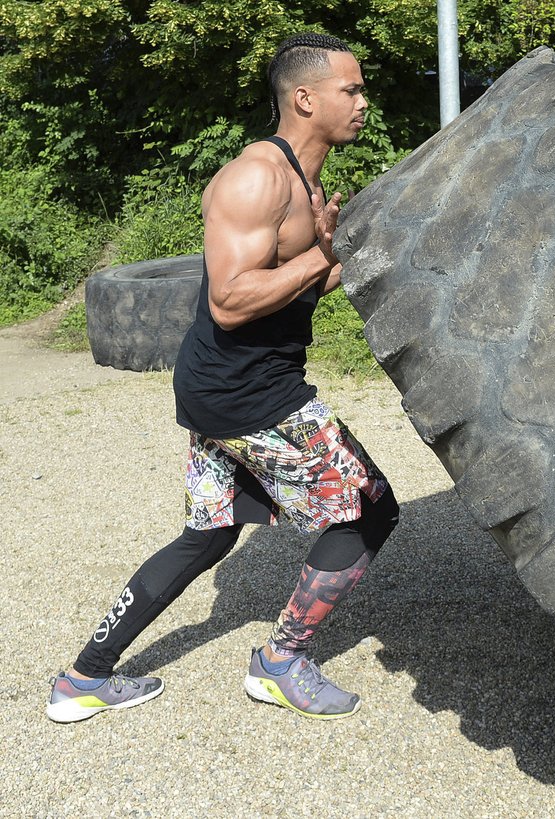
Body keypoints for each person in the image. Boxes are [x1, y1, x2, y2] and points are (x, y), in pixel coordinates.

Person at [46, 33, 398, 723]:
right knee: (369, 506)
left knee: (207, 535)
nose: (363, 102)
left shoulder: (308, 180)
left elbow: (298, 285)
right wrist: (318, 256)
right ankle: (280, 661)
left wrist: (345, 257)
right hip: (249, 394)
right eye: (350, 90)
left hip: (221, 388)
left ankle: (82, 677)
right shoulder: (256, 178)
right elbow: (231, 298)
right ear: (305, 98)